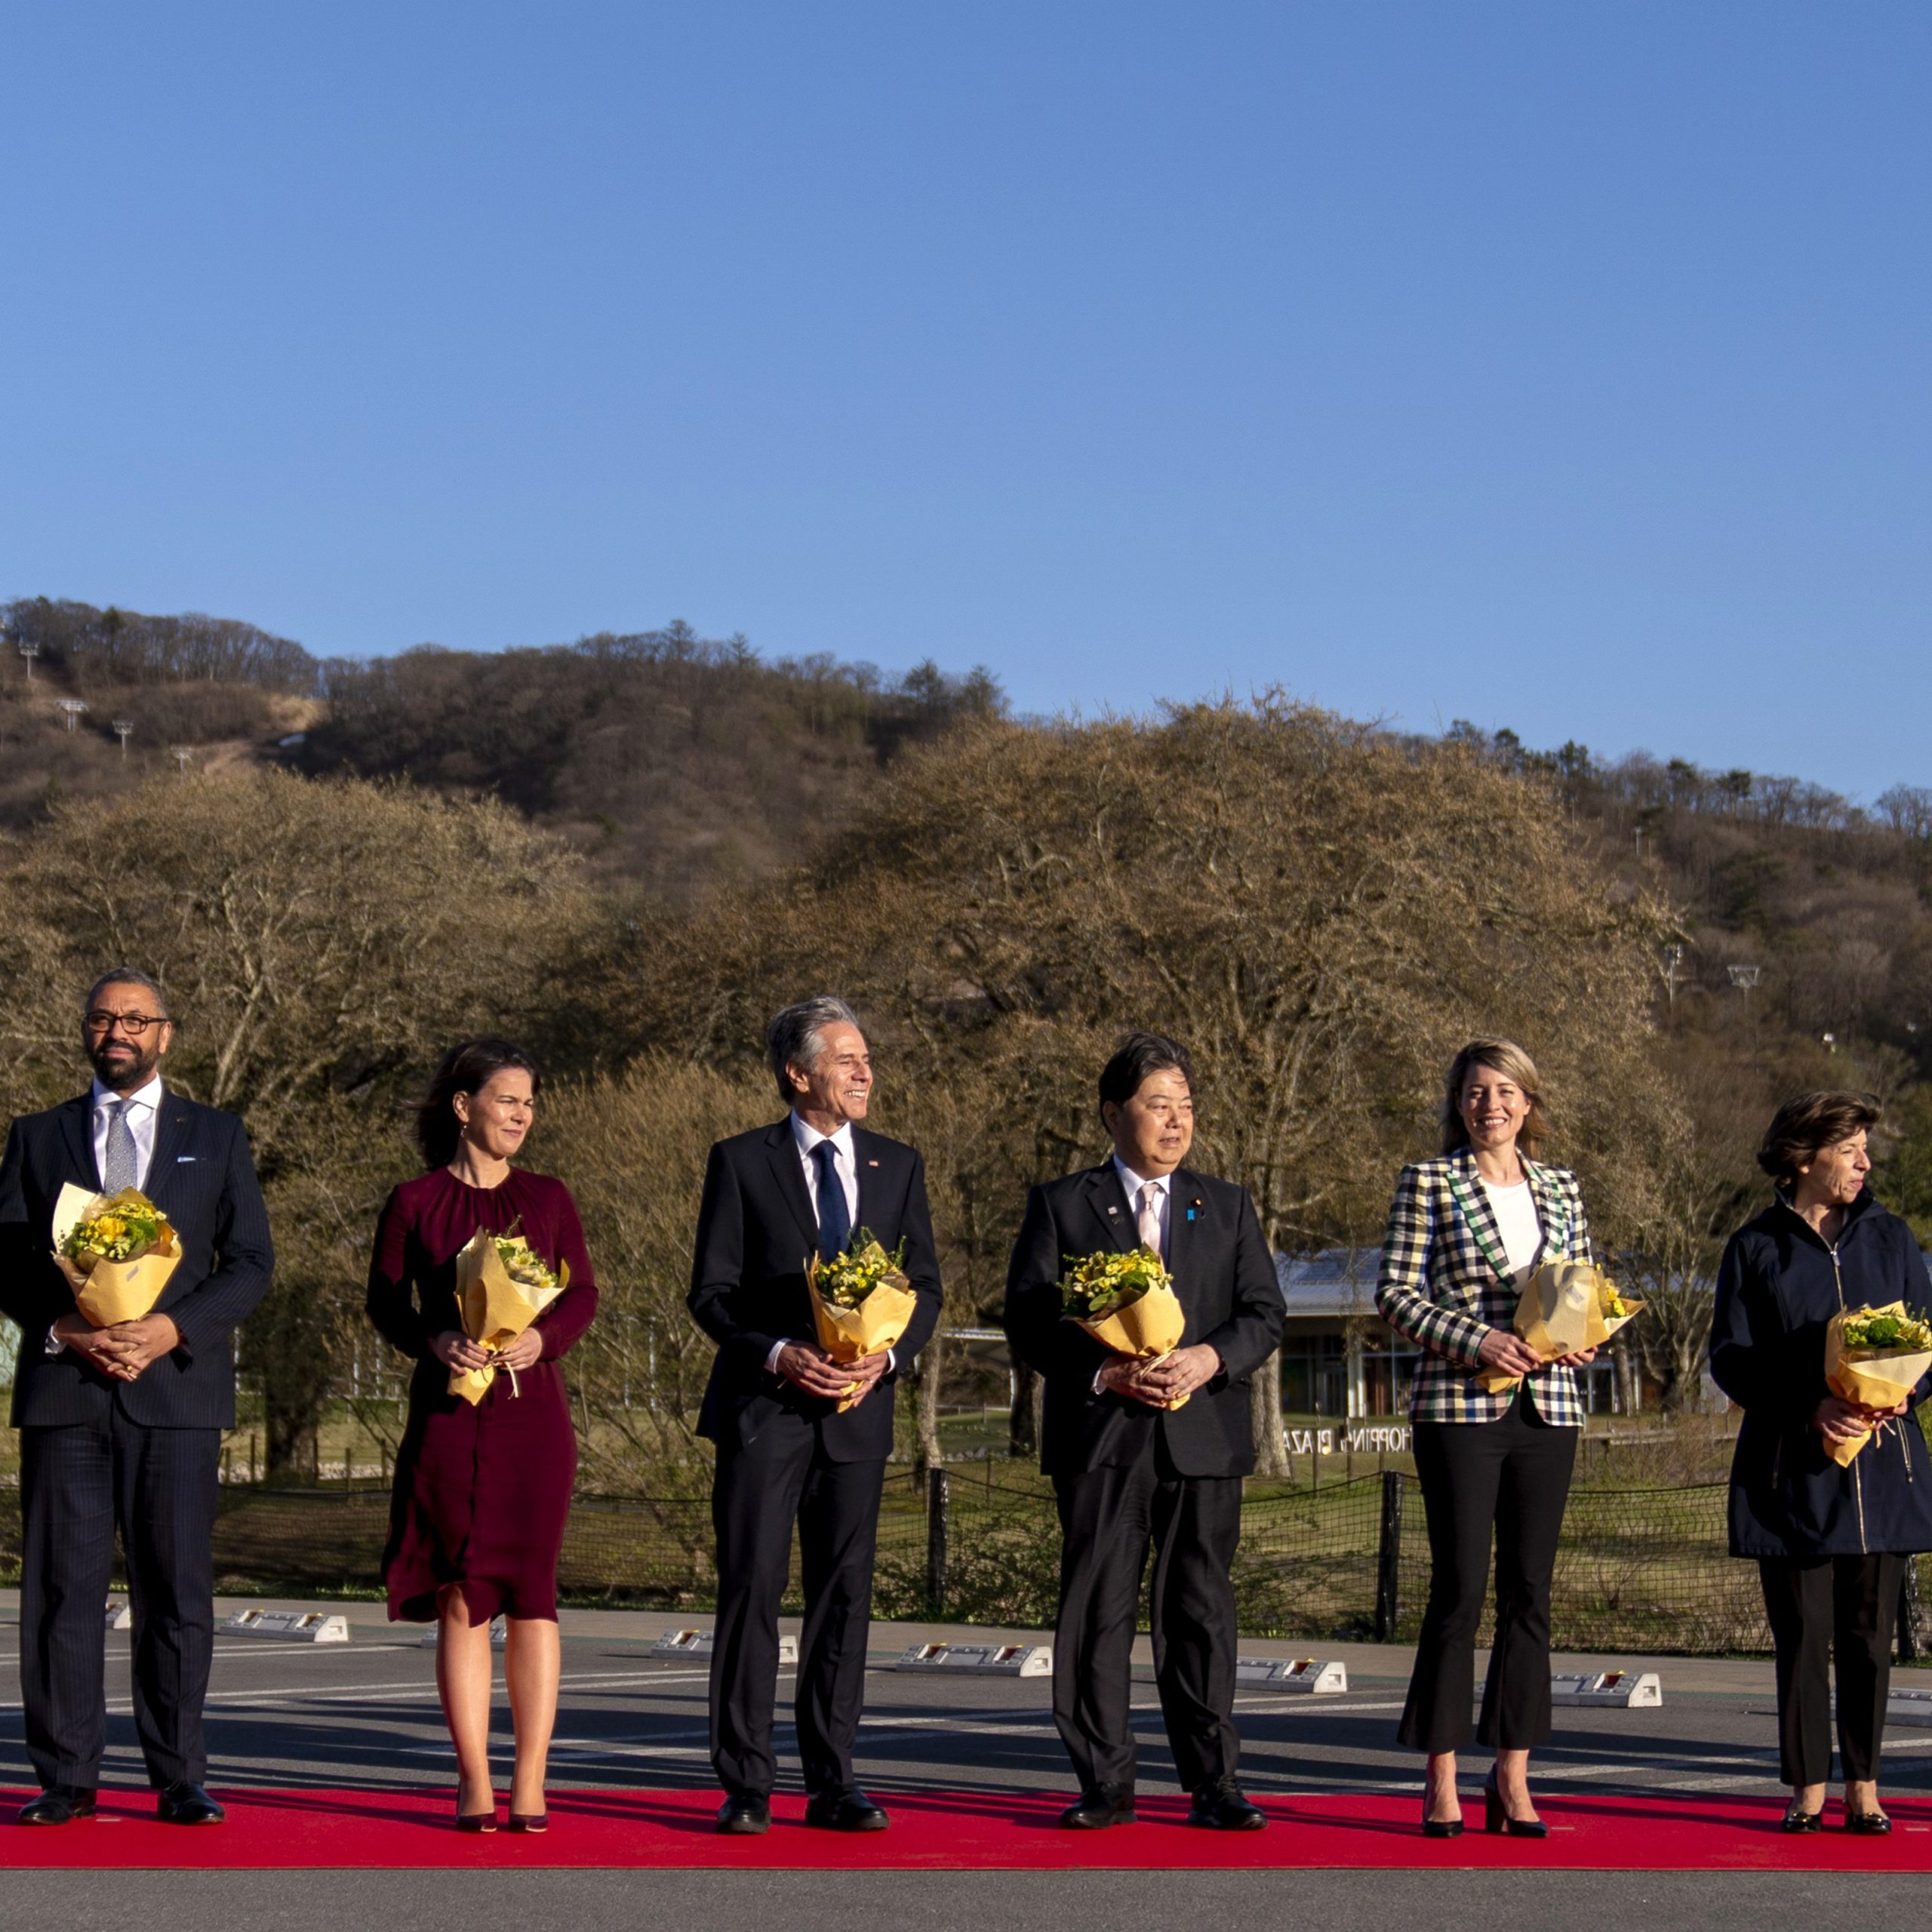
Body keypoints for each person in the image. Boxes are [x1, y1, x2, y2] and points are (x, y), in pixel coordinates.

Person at [0, 969, 273, 1827]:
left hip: (178, 1396)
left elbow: (252, 1264)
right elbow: (5, 1258)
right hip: (66, 1394)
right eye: (101, 1017)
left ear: (165, 1034)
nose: (115, 1030)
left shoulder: (218, 1134)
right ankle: (66, 1775)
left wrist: (172, 1329)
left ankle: (179, 1773)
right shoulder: (37, 1136)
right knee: (59, 1594)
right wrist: (64, 1329)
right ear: (85, 1032)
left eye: (133, 1019)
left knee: (178, 1592)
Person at [1003, 1032, 1284, 1832]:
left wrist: (1207, 1358)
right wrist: (1103, 1371)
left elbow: (1264, 1313)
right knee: (1097, 1612)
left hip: (1203, 1438)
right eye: (1157, 1104)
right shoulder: (1063, 1203)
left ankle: (1214, 1779)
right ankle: (1104, 1779)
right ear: (1111, 1113)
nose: (1175, 1120)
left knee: (1200, 1612)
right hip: (1102, 1437)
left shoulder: (1225, 1203)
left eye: (1185, 1106)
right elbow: (1028, 1318)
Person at [688, 995, 943, 1835]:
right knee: (752, 1590)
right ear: (799, 1075)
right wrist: (773, 1350)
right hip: (766, 1410)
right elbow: (712, 1293)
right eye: (846, 1058)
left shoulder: (897, 1165)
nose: (865, 1071)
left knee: (844, 1597)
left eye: (867, 1058)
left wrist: (891, 1356)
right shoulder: (739, 1161)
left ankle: (835, 1778)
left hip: (859, 1414)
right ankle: (747, 1781)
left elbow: (927, 1288)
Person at [366, 1038, 598, 1834]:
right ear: (464, 1108)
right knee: (461, 1590)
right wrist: (434, 1339)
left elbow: (582, 1292)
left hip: (533, 1416)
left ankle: (530, 1779)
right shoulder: (413, 1200)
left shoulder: (549, 1195)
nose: (522, 1114)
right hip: (447, 1417)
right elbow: (387, 1303)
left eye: (529, 1102)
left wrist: (547, 1339)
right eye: (508, 1099)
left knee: (532, 1595)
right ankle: (473, 1778)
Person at [1374, 1038, 1597, 1839]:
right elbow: (1394, 1292)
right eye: (1474, 1091)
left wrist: (1584, 1333)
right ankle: (1439, 1774)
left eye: (1504, 1091)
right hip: (1459, 1408)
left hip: (1550, 1408)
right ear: (1457, 1102)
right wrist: (1475, 1341)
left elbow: (1579, 1283)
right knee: (1460, 1588)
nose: (1489, 1104)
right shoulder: (1428, 1180)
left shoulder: (1563, 1187)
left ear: (1527, 1103)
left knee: (1530, 1594)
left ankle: (1512, 1772)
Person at [1709, 1091, 1932, 1836]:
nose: (1865, 1162)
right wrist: (1809, 1405)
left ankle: (1864, 1786)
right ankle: (1807, 1785)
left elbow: (1928, 1342)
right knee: (1802, 1637)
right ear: (1804, 1157)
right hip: (1791, 1473)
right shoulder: (1752, 1246)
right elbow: (1731, 1357)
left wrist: (1904, 1392)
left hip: (1883, 1472)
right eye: (1850, 1148)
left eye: (1866, 1147)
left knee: (1869, 1637)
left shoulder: (1893, 1238)